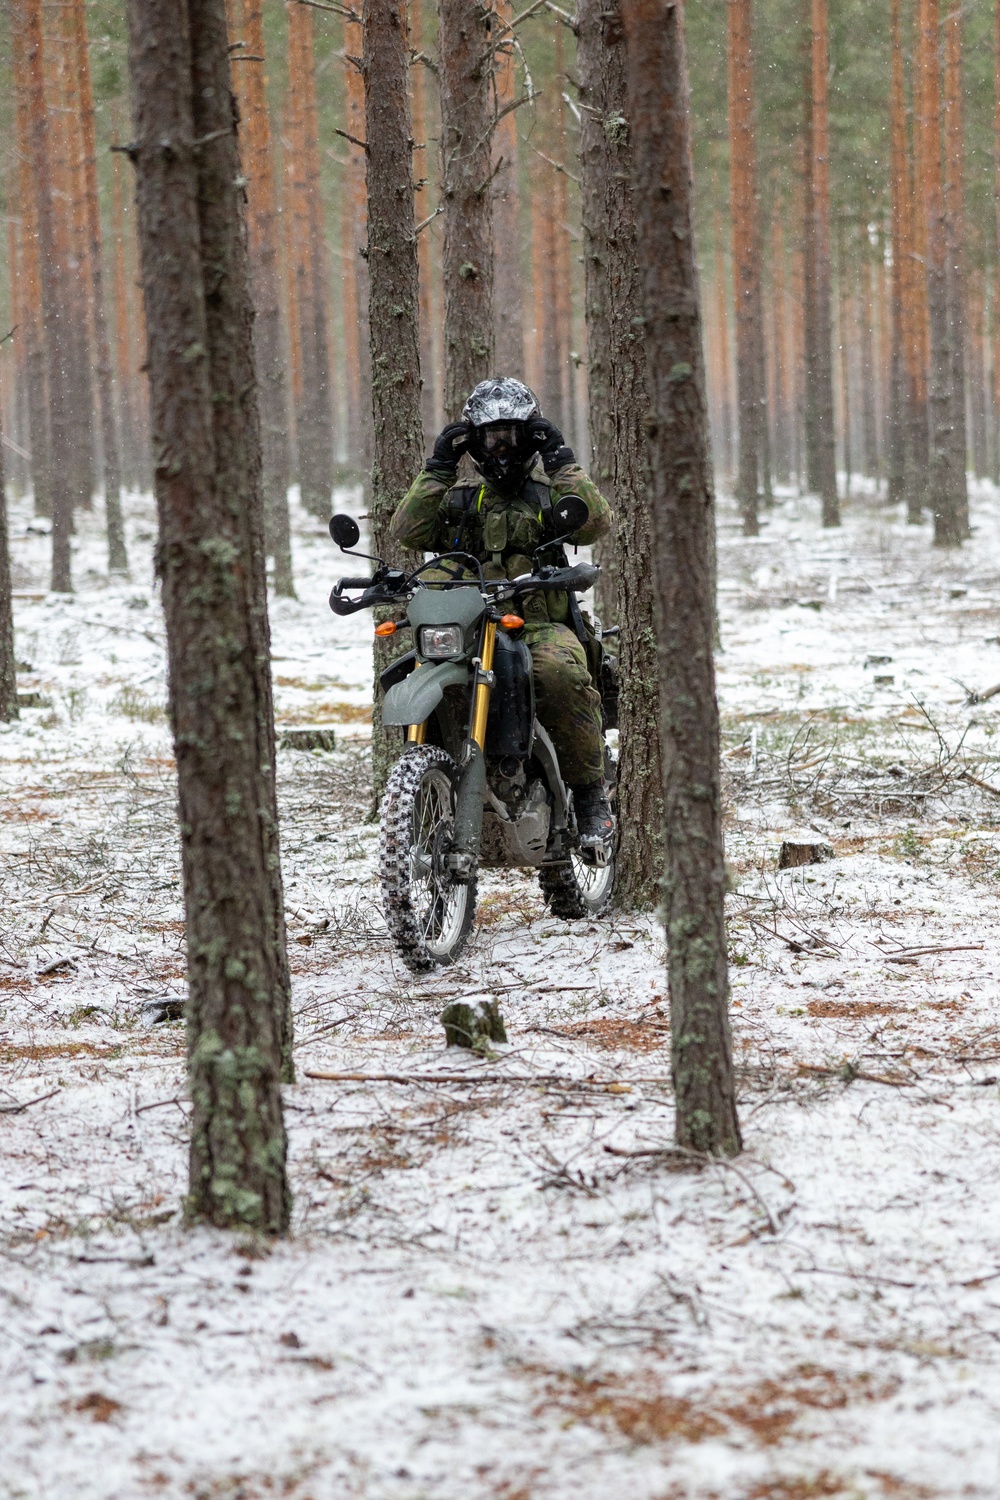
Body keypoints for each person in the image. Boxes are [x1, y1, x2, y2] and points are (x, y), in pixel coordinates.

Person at [390, 376, 615, 846]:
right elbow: (408, 531)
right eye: (489, 438)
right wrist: (438, 467)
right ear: (472, 442)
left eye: (510, 435)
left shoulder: (548, 496)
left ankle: (592, 797)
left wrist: (561, 460)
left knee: (559, 674)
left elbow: (595, 523)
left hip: (537, 624)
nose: (500, 449)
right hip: (469, 627)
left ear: (529, 435)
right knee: (410, 672)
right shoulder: (460, 498)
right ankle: (425, 791)